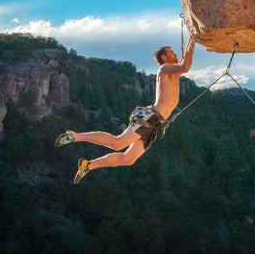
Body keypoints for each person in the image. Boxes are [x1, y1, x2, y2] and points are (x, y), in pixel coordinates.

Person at [55, 37, 196, 184]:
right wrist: (193, 38)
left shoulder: (173, 73)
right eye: (172, 53)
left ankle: (88, 165)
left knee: (128, 159)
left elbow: (185, 62)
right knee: (118, 143)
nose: (175, 54)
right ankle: (74, 136)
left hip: (156, 124)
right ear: (164, 57)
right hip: (151, 118)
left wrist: (190, 43)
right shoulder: (163, 69)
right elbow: (185, 66)